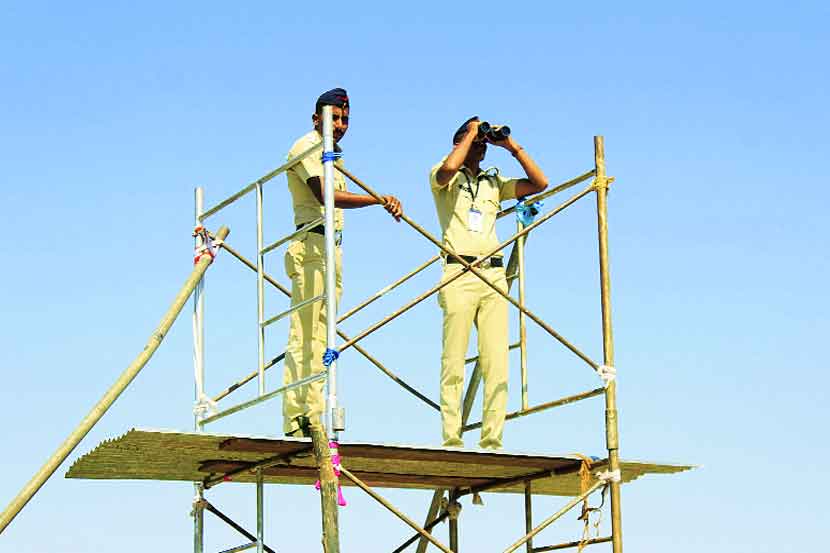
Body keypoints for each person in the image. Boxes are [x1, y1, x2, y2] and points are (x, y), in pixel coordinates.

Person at [283, 88, 403, 437]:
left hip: (331, 247)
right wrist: (377, 199)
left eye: (345, 119)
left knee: (323, 334)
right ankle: (297, 416)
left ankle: (314, 410)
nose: (339, 125)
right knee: (305, 333)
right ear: (316, 118)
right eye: (333, 117)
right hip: (311, 242)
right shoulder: (308, 145)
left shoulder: (335, 156)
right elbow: (325, 195)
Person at [430, 116, 548, 449]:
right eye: (476, 139)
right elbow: (446, 171)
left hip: (493, 275)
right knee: (453, 359)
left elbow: (540, 182)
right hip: (458, 272)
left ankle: (492, 438)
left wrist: (508, 145)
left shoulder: (493, 183)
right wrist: (469, 133)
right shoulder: (444, 175)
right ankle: (451, 437)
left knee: (496, 360)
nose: (481, 144)